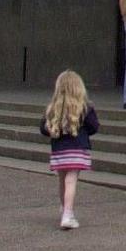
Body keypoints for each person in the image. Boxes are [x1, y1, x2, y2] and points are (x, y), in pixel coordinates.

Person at [40, 70, 100, 231]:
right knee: (71, 181)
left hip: (59, 150)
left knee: (62, 180)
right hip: (77, 149)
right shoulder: (85, 107)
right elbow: (94, 127)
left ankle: (64, 207)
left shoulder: (53, 108)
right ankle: (68, 213)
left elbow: (43, 129)